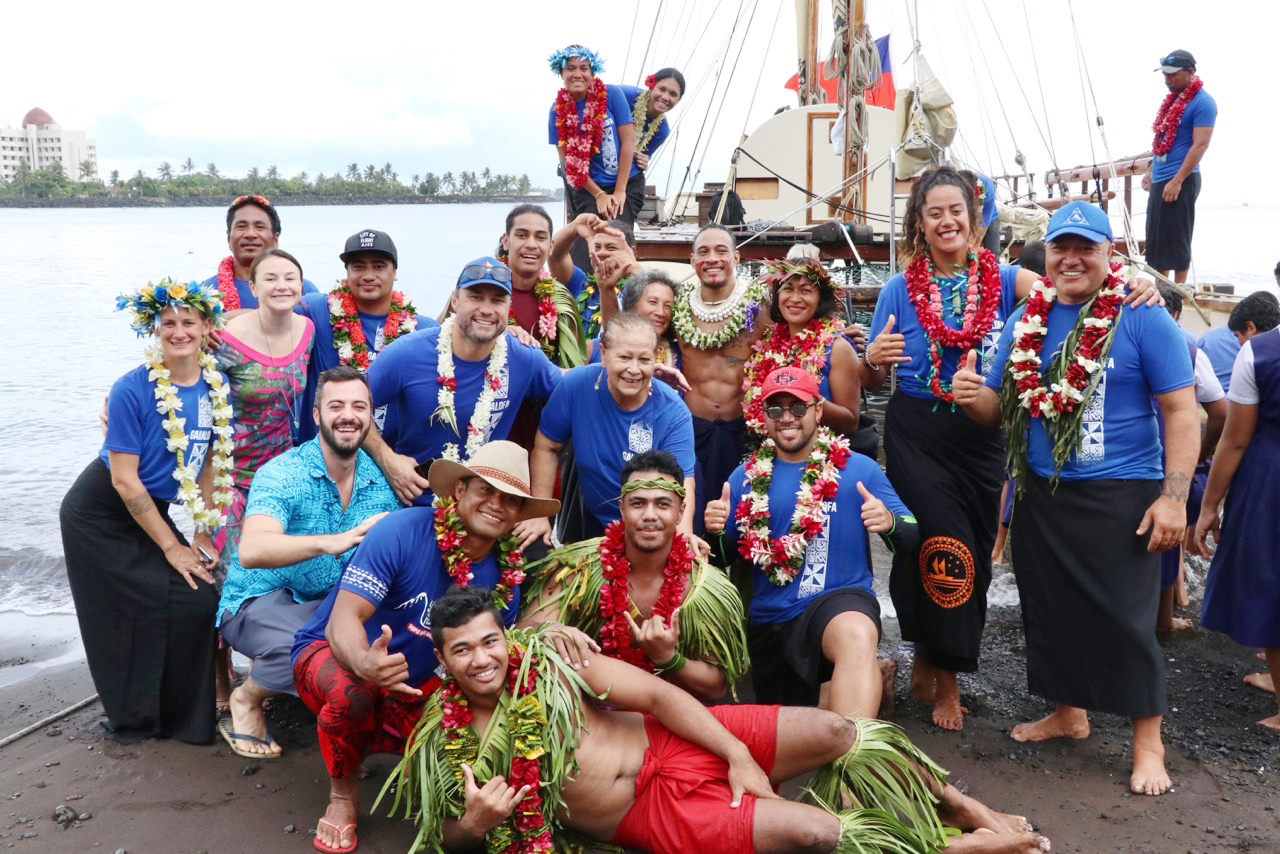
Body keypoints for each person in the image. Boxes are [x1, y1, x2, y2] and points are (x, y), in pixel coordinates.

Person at [390, 585, 1051, 854]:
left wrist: (735, 753)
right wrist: (474, 825)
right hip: (649, 815)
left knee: (836, 732)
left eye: (488, 641)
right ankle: (962, 848)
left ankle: (964, 805)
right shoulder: (447, 739)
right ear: (444, 662)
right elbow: (442, 834)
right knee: (818, 834)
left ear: (504, 637)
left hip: (678, 745)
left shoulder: (548, 662)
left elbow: (657, 696)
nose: (482, 660)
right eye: (462, 651)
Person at [951, 200, 1198, 796]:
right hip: (1043, 492)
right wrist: (968, 394)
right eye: (1061, 247)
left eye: (1086, 248)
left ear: (1108, 255)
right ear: (1049, 255)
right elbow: (994, 407)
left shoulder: (1143, 315)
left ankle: (1148, 741)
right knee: (1051, 609)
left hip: (1123, 491)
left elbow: (1183, 413)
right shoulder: (1023, 320)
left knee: (1126, 620)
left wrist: (1175, 500)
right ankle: (1068, 713)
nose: (1071, 259)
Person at [289, 441, 563, 853]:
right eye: (485, 490)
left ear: (520, 515)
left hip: (421, 682)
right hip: (335, 654)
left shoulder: (507, 577)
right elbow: (342, 620)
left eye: (510, 500)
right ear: (459, 492)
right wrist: (365, 660)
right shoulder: (402, 531)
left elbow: (488, 661)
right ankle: (342, 797)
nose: (496, 504)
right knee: (353, 694)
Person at [857, 165, 1039, 731]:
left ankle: (930, 661)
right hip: (918, 434)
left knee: (977, 552)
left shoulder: (1009, 282)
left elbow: (1071, 291)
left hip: (981, 436)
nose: (946, 221)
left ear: (975, 219)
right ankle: (947, 686)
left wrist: (1137, 286)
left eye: (954, 210)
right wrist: (872, 360)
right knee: (936, 541)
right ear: (919, 223)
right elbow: (868, 378)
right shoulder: (897, 288)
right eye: (933, 212)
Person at [61, 279, 233, 744]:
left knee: (197, 601)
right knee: (120, 614)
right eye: (168, 324)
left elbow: (212, 463)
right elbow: (123, 479)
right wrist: (173, 548)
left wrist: (201, 532)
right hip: (96, 514)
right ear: (154, 332)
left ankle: (178, 717)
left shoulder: (217, 389)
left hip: (147, 510)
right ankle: (134, 718)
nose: (178, 332)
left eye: (188, 322)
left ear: (206, 327)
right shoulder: (131, 390)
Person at [705, 368, 918, 719]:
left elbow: (911, 534)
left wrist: (891, 522)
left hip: (838, 601)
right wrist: (715, 532)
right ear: (765, 418)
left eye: (798, 408)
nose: (787, 418)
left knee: (855, 634)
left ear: (818, 410)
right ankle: (866, 680)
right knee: (796, 726)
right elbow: (722, 558)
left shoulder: (859, 469)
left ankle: (856, 759)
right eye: (776, 410)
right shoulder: (743, 478)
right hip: (771, 617)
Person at [214, 367, 399, 758]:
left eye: (358, 406)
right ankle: (246, 697)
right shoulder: (284, 472)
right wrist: (330, 543)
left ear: (369, 417)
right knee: (312, 646)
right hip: (260, 597)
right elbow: (252, 549)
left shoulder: (379, 481)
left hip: (331, 602)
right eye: (336, 406)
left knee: (393, 637)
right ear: (316, 415)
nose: (347, 415)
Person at [522, 451, 748, 701]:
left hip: (673, 725)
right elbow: (525, 630)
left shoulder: (703, 589)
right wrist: (549, 630)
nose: (649, 515)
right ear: (622, 508)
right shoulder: (580, 569)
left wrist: (669, 658)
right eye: (638, 503)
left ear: (681, 512)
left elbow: (716, 686)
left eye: (662, 504)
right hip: (592, 720)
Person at [362, 257, 562, 507]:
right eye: (476, 297)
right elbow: (348, 407)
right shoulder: (406, 353)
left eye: (497, 300)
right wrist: (387, 459)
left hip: (483, 508)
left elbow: (573, 387)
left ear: (509, 306)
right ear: (455, 301)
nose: (487, 309)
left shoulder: (524, 358)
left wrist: (613, 357)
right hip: (409, 501)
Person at [530, 313, 696, 541]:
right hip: (593, 522)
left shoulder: (674, 412)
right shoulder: (576, 386)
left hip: (651, 529)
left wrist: (683, 539)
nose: (634, 369)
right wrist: (538, 515)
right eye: (625, 357)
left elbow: (684, 482)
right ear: (605, 354)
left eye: (644, 360)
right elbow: (547, 446)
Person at [1190, 315, 1280, 728]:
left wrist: (1210, 505)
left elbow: (1236, 436)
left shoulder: (1260, 351)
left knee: (1269, 583)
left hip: (1270, 476)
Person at [672, 223, 771, 534]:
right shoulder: (677, 307)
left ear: (737, 258)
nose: (712, 258)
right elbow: (633, 327)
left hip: (743, 431)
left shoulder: (761, 306)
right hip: (690, 430)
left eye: (720, 251)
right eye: (703, 252)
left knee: (744, 524)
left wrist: (852, 345)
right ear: (692, 261)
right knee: (690, 519)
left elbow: (802, 329)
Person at [294, 229, 428, 443]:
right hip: (322, 455)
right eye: (358, 266)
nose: (368, 275)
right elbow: (265, 317)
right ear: (346, 272)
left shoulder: (421, 330)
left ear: (395, 272)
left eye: (379, 266)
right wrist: (219, 322)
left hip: (392, 460)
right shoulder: (317, 309)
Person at [1155, 283, 1227, 638]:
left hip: (1135, 457)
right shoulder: (1187, 346)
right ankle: (1163, 620)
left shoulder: (1115, 333)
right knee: (1167, 539)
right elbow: (1219, 411)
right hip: (1170, 457)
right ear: (1178, 315)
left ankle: (1158, 617)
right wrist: (1202, 454)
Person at [742, 258, 861, 437]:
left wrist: (809, 395)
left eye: (806, 291)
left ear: (821, 298)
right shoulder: (766, 345)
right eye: (788, 289)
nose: (795, 298)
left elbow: (850, 423)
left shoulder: (838, 348)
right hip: (770, 454)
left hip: (822, 456)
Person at [547, 45, 638, 270]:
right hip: (587, 186)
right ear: (562, 74)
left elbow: (628, 143)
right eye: (570, 69)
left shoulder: (612, 94)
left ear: (592, 72)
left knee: (617, 236)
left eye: (584, 68)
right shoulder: (556, 111)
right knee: (585, 245)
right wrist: (598, 194)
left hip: (625, 182)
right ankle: (585, 296)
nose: (577, 74)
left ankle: (622, 293)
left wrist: (619, 191)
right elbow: (568, 164)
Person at [1142, 49, 1216, 284]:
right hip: (1161, 177)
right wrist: (1150, 169)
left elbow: (1200, 145)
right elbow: (1163, 140)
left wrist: (1177, 180)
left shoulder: (1203, 102)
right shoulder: (1172, 101)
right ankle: (1159, 290)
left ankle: (1177, 294)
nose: (1167, 79)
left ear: (1190, 72)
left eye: (1173, 74)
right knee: (1156, 239)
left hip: (1182, 178)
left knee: (1177, 238)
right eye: (1165, 74)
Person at [203, 195, 318, 310]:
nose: (250, 234)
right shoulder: (204, 294)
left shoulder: (301, 290)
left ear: (275, 239)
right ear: (228, 238)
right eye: (242, 226)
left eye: (260, 227)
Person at [587, 268, 682, 371]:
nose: (661, 312)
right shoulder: (594, 349)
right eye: (652, 302)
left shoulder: (682, 353)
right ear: (632, 305)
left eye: (667, 306)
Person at [621, 68, 686, 175]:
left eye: (673, 94)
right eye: (661, 89)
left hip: (620, 172)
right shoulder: (625, 95)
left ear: (678, 100)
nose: (665, 97)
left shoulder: (661, 131)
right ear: (651, 86)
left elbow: (637, 162)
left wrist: (642, 161)